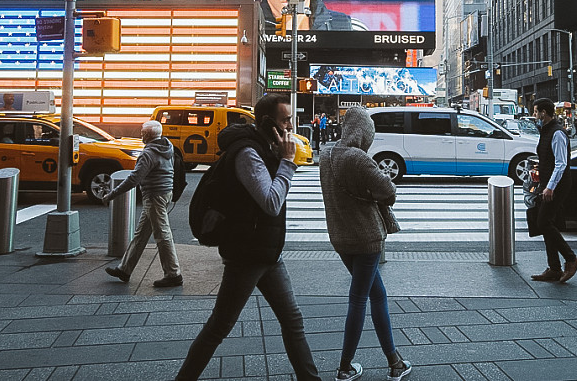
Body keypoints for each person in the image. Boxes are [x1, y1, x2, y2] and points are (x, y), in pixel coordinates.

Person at [177, 94, 319, 380]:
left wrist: (281, 158)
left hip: (266, 251)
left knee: (293, 320)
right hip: (247, 253)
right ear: (269, 122)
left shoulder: (266, 146)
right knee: (219, 326)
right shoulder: (248, 153)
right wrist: (288, 163)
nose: (291, 125)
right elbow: (270, 202)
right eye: (285, 120)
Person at [319, 107, 412, 381]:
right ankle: (345, 367)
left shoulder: (326, 155)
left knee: (377, 295)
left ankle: (395, 361)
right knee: (359, 299)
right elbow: (389, 191)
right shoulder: (358, 159)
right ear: (363, 133)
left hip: (340, 236)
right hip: (367, 237)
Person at [101, 120, 182, 288]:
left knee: (162, 235)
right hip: (165, 193)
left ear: (147, 135)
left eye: (142, 133)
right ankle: (124, 269)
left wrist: (111, 195)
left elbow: (133, 179)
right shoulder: (168, 147)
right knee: (141, 234)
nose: (141, 135)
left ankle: (173, 274)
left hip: (154, 196)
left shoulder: (148, 154)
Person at [529, 98, 577, 283]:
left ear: (544, 112)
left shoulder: (557, 133)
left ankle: (571, 259)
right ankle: (554, 268)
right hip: (548, 183)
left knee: (543, 222)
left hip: (557, 185)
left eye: (536, 112)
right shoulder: (546, 131)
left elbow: (561, 164)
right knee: (545, 222)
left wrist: (550, 187)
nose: (534, 115)